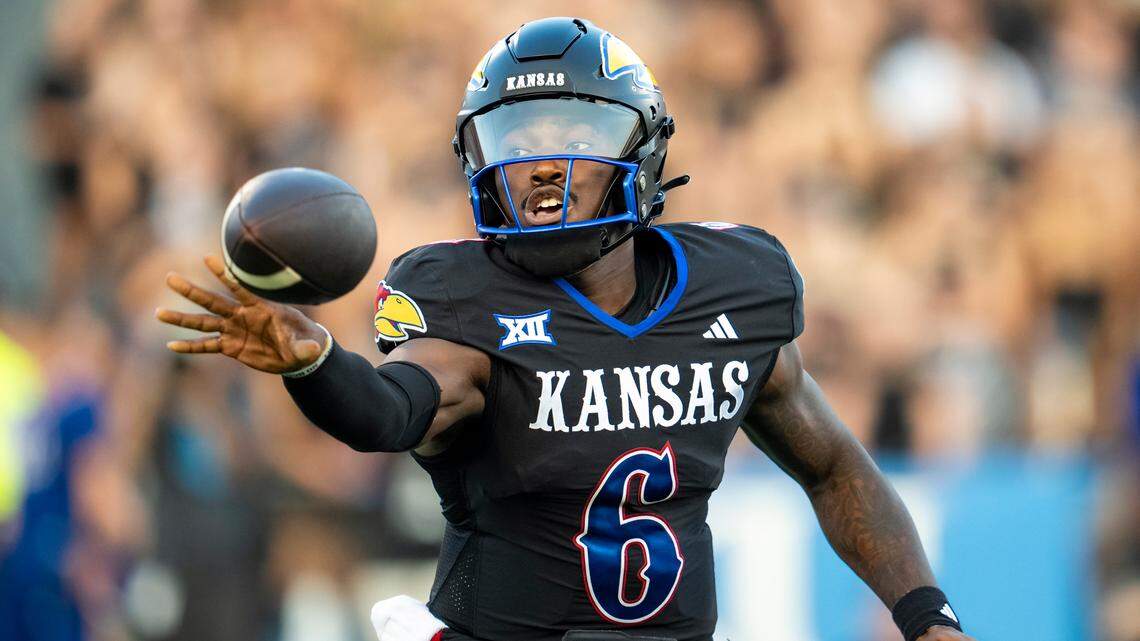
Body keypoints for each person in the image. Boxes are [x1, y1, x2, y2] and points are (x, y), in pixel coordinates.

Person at [155, 17, 974, 641]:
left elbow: (834, 468)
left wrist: (926, 614)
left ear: (643, 148)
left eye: (572, 137)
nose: (540, 165)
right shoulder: (462, 297)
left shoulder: (734, 286)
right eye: (516, 142)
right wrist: (314, 362)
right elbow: (387, 411)